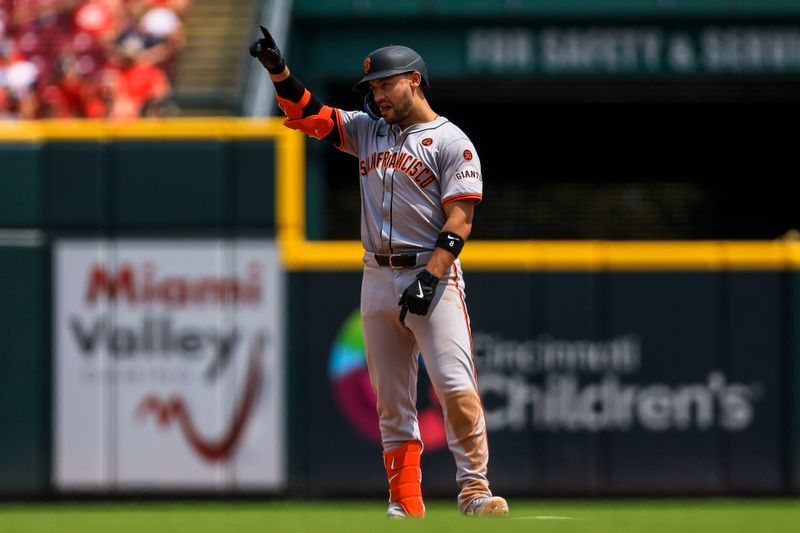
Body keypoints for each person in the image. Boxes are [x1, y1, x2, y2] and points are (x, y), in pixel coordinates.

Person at [250, 26, 507, 519]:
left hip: (431, 274)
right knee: (391, 403)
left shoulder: (451, 141)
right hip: (376, 275)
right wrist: (277, 70)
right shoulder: (369, 131)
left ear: (414, 81)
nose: (376, 94)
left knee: (455, 387)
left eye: (385, 84)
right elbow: (308, 114)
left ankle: (475, 491)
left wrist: (431, 278)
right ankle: (405, 503)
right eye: (372, 87)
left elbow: (461, 219)